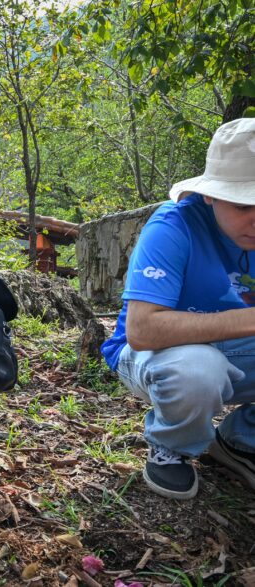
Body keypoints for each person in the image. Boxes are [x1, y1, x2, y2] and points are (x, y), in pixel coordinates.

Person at [101, 118, 255, 500]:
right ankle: (172, 445)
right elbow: (143, 330)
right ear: (211, 195)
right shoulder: (173, 226)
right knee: (198, 370)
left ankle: (241, 438)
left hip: (234, 348)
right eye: (243, 205)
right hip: (157, 355)